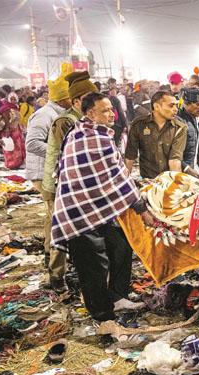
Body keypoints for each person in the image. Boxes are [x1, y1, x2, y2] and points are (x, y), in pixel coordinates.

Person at [51, 92, 154, 321]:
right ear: (90, 113)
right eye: (105, 110)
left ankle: (117, 297)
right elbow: (116, 178)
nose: (111, 114)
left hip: (98, 209)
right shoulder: (87, 137)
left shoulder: (97, 134)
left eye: (111, 109)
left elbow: (114, 177)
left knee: (121, 247)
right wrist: (141, 208)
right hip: (79, 211)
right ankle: (102, 314)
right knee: (94, 266)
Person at [25, 70, 72, 290]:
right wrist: (61, 152)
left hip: (52, 171)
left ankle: (49, 254)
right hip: (44, 174)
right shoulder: (45, 115)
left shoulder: (61, 112)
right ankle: (54, 268)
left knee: (52, 216)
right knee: (57, 218)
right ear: (65, 96)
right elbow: (32, 143)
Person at [125, 91, 187, 179]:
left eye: (176, 105)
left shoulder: (179, 128)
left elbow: (175, 161)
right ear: (156, 106)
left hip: (169, 180)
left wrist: (176, 186)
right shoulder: (139, 125)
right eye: (171, 105)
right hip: (147, 181)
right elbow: (130, 156)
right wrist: (125, 182)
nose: (175, 109)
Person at [178, 87, 199, 180]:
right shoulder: (179, 121)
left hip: (196, 170)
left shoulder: (198, 120)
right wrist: (186, 168)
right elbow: (172, 152)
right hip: (184, 173)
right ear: (186, 104)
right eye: (198, 104)